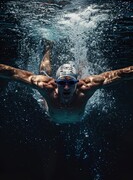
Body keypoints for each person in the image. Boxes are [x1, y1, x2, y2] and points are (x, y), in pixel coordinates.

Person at [0, 42, 133, 123]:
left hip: (73, 117)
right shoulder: (47, 87)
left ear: (77, 82)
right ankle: (48, 48)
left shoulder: (86, 87)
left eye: (71, 83)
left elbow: (121, 75)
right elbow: (12, 73)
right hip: (49, 114)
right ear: (56, 82)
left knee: (86, 74)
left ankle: (82, 53)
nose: (66, 87)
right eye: (62, 82)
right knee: (42, 75)